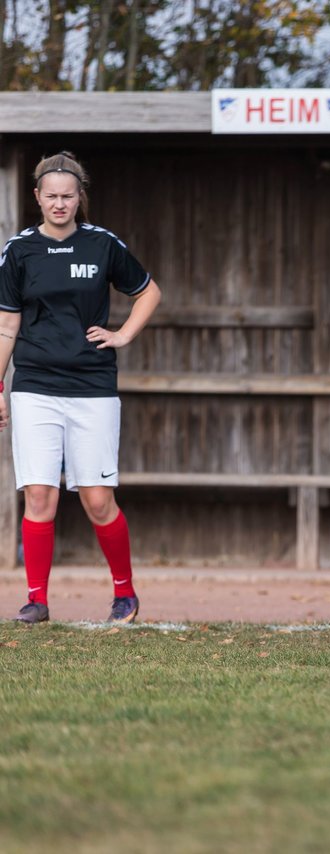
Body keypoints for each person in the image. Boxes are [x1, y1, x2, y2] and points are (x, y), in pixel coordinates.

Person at [0, 151, 162, 624]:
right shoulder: (18, 250)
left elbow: (149, 292)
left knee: (96, 498)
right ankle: (36, 600)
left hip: (92, 386)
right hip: (34, 385)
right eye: (50, 196)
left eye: (67, 196)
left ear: (78, 197)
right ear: (37, 197)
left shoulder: (102, 245)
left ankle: (125, 595)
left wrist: (123, 335)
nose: (59, 203)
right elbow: (7, 325)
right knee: (39, 495)